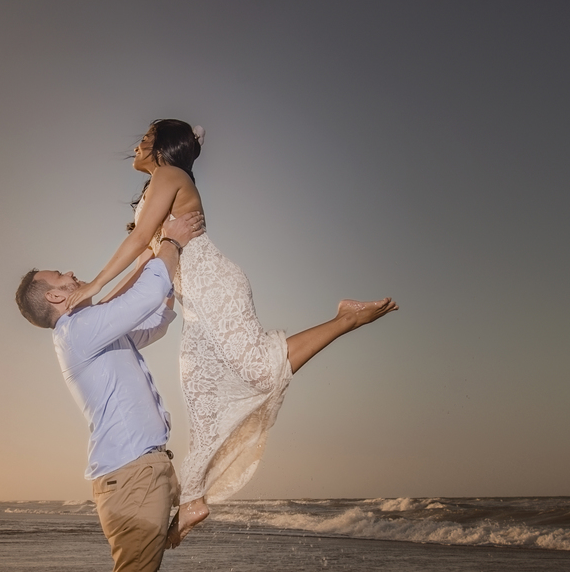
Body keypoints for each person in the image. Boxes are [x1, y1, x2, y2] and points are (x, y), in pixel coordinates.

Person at [64, 119, 399, 546]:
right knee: (200, 396)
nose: (138, 144)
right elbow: (147, 261)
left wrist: (94, 287)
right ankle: (194, 500)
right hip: (197, 307)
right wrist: (104, 303)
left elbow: (145, 239)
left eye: (147, 138)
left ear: (165, 147)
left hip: (217, 288)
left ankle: (345, 318)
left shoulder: (171, 175)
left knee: (259, 370)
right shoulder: (155, 190)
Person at [15, 209, 205, 572]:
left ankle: (181, 516)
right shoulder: (77, 331)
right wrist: (171, 241)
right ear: (56, 298)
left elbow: (148, 325)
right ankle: (177, 519)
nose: (70, 273)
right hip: (132, 477)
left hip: (145, 470)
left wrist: (161, 286)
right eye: (60, 276)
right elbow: (141, 298)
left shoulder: (89, 330)